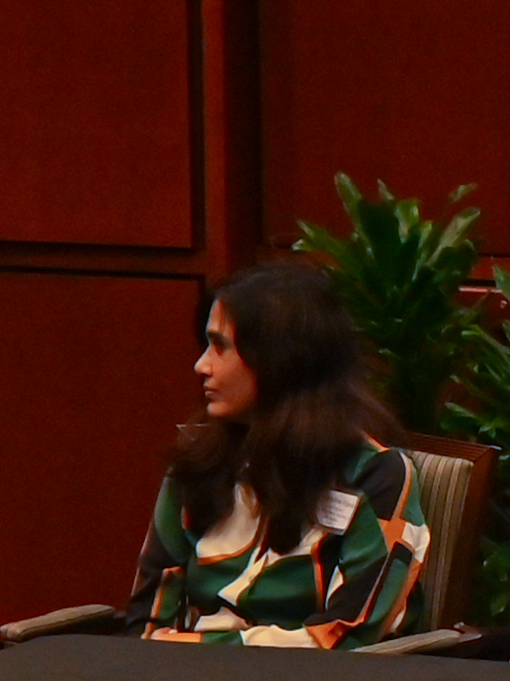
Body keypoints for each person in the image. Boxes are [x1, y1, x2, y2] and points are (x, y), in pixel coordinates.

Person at [115, 262, 431, 648]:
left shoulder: (375, 474)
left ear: (280, 360)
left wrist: (199, 649)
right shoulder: (197, 462)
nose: (201, 365)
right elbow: (147, 624)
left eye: (220, 346)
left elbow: (350, 639)